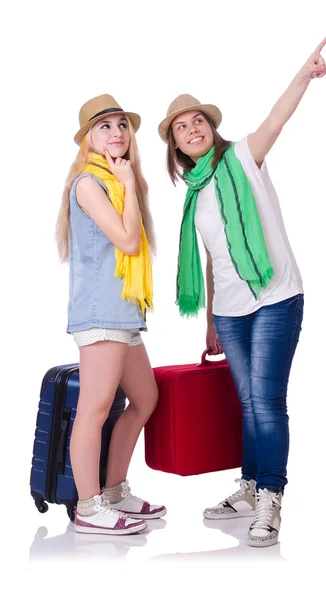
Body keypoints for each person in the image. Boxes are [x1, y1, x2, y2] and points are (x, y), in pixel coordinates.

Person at [158, 39, 326, 547]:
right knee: (248, 402)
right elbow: (213, 259)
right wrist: (211, 316)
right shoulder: (196, 194)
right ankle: (250, 487)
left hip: (276, 298)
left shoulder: (244, 157)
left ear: (210, 128)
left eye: (197, 121)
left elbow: (277, 118)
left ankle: (271, 499)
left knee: (268, 402)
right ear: (177, 145)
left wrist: (304, 74)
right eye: (182, 127)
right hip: (230, 312)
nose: (192, 129)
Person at [56, 94, 166, 535]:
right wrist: (130, 184)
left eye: (122, 125)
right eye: (105, 126)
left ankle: (115, 489)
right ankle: (89, 506)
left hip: (123, 314)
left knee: (145, 400)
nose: (117, 132)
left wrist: (130, 183)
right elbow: (128, 242)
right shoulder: (89, 183)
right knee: (95, 408)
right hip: (101, 312)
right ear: (87, 140)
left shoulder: (118, 182)